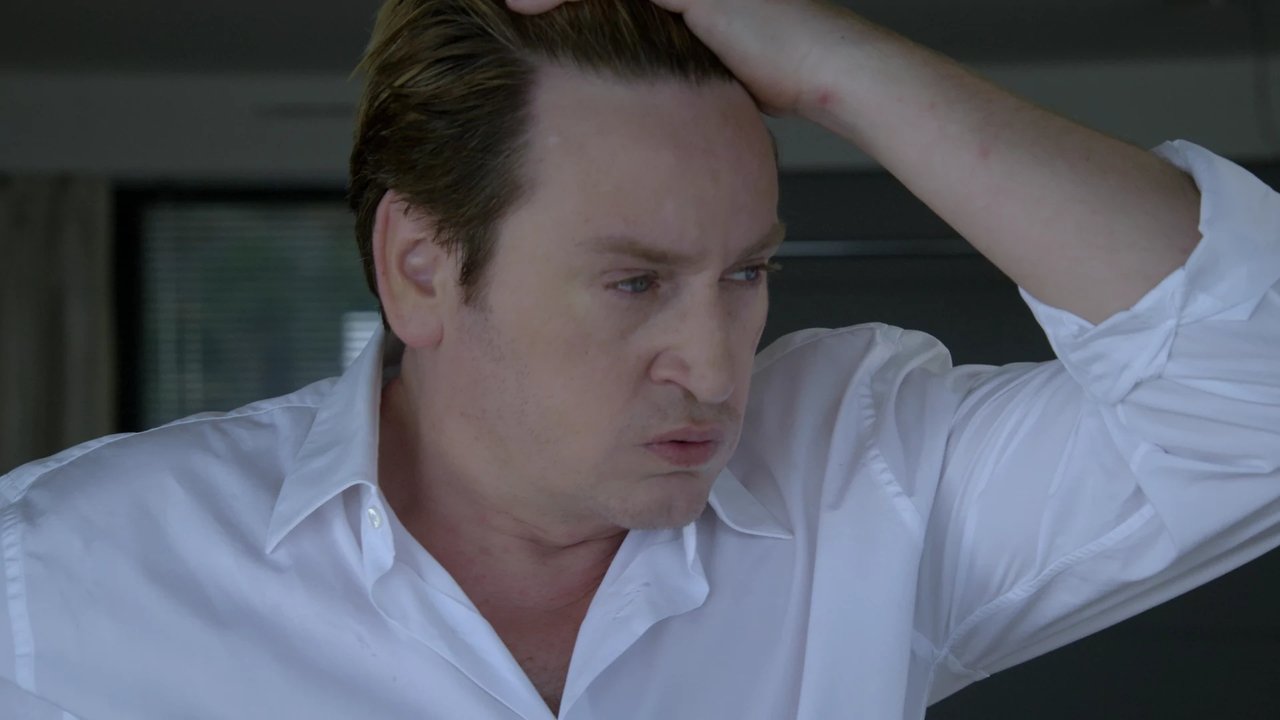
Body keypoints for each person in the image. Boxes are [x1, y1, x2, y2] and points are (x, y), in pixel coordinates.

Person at [3, 0, 1278, 717]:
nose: (716, 372)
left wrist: (831, 66)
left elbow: (1253, 390)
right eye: (634, 283)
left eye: (744, 273)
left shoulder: (866, 478)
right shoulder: (56, 578)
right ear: (421, 269)